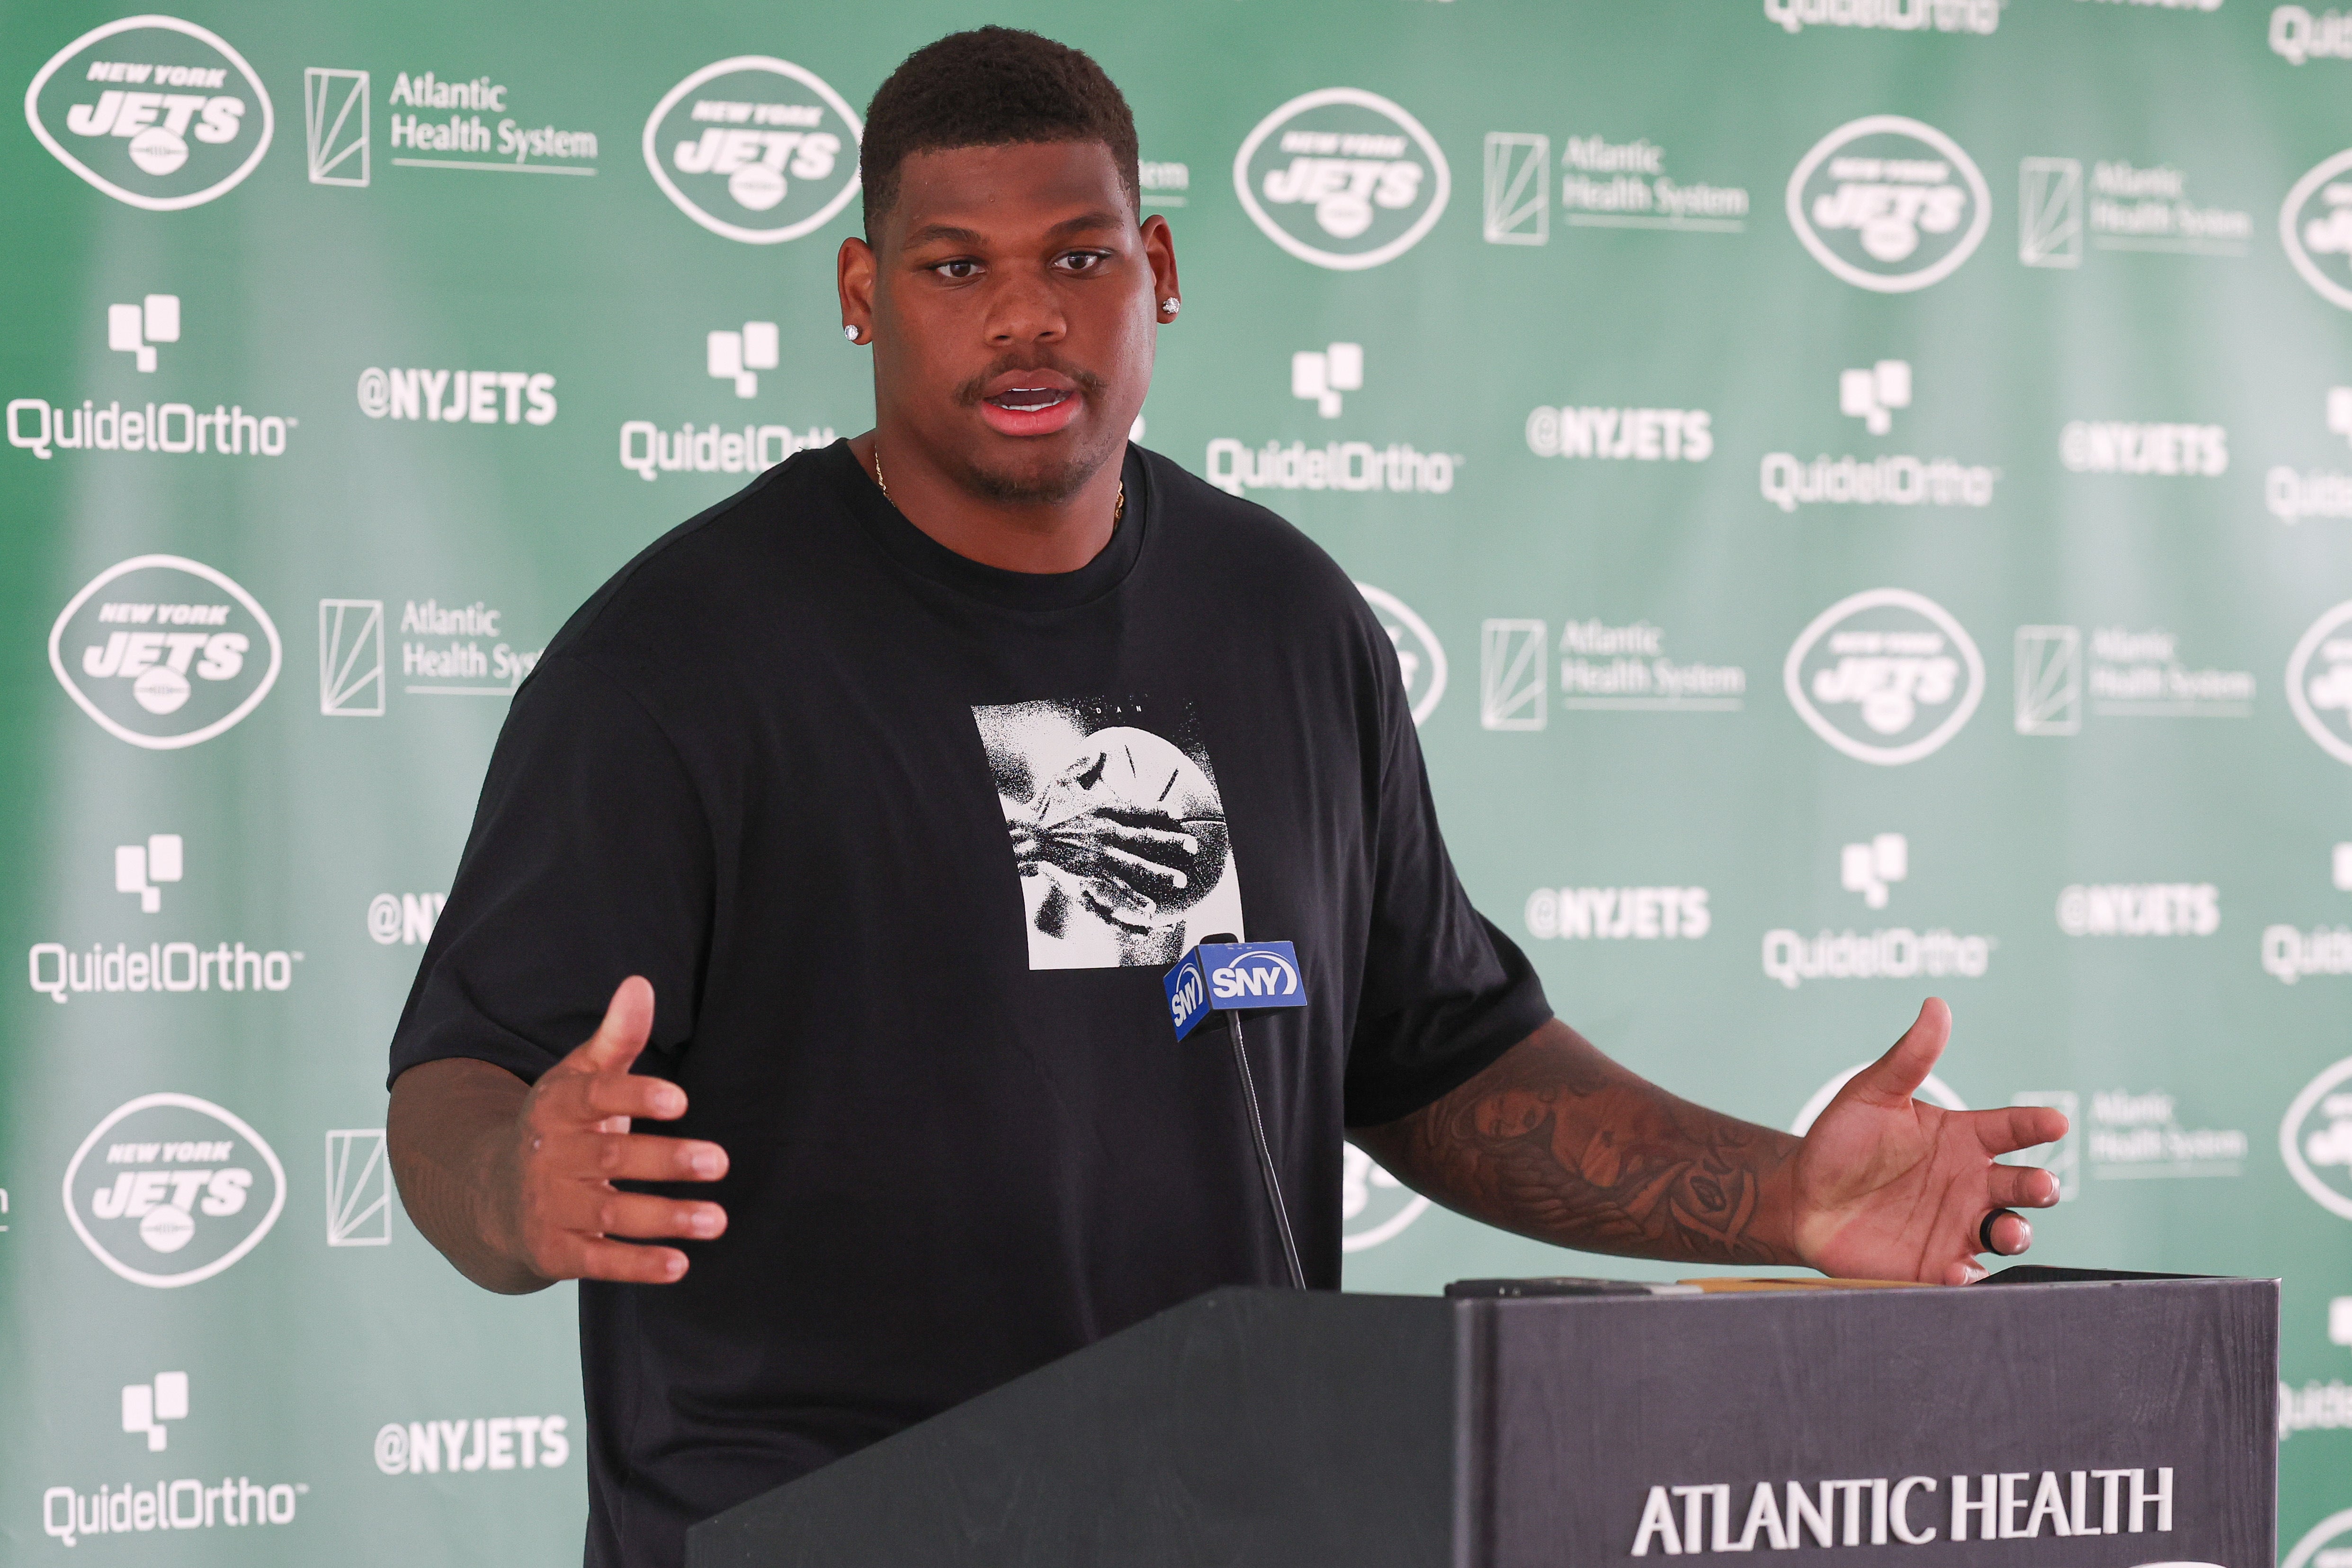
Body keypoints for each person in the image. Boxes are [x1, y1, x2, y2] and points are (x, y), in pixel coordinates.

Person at [385, 27, 2066, 1568]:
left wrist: (1785, 1195)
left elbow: (1442, 1057)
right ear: (861, 293)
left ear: (1159, 271)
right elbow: (456, 1082)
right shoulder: (679, 660)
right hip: (815, 1531)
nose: (1026, 316)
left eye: (1079, 257)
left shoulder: (1286, 617)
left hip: (1230, 1516)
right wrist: (507, 1187)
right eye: (955, 267)